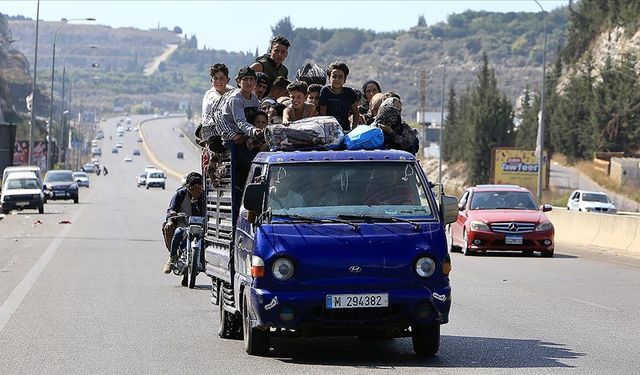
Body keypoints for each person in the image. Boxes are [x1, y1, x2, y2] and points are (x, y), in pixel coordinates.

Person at [163, 174, 204, 274]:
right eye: (193, 187)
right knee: (177, 232)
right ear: (188, 187)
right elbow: (171, 209)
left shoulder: (203, 197)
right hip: (183, 225)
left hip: (200, 227)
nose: (195, 190)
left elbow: (202, 213)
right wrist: (171, 219)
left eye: (198, 187)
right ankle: (172, 258)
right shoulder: (180, 194)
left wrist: (195, 200)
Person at [318, 61, 362, 131]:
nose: (337, 79)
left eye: (340, 77)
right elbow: (323, 115)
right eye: (334, 76)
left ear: (345, 80)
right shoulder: (325, 91)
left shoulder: (349, 92)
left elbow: (356, 113)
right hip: (329, 130)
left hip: (345, 129)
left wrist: (353, 129)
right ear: (329, 78)